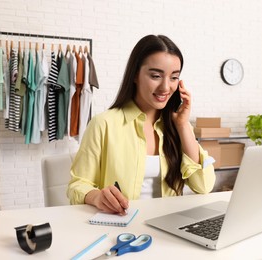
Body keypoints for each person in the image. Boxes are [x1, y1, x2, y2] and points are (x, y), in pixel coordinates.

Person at [67, 35, 216, 215]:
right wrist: (96, 196)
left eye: (174, 77)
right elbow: (77, 185)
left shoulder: (178, 126)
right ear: (135, 75)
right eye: (155, 76)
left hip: (167, 226)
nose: (165, 87)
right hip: (122, 230)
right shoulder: (104, 124)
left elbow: (204, 186)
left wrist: (183, 125)